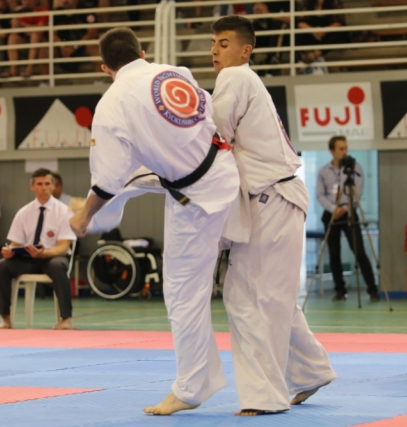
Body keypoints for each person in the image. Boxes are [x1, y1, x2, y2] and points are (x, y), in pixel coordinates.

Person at [69, 27, 239, 415]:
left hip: (197, 198)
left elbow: (106, 181)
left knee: (182, 292)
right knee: (131, 175)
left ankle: (191, 388)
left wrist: (85, 214)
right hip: (225, 166)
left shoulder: (111, 105)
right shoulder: (174, 71)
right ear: (142, 52)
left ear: (104, 67)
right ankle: (308, 370)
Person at [210, 15, 336, 416]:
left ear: (245, 50)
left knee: (253, 298)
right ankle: (311, 370)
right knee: (271, 296)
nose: (214, 50)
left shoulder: (234, 77)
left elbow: (215, 138)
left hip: (271, 198)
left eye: (224, 43)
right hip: (277, 197)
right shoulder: (249, 81)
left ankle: (265, 396)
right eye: (213, 43)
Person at [0, 168, 76, 330]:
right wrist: (9, 250)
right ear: (32, 186)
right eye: (39, 184)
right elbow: (15, 243)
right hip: (28, 259)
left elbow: (63, 247)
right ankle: (5, 318)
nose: (43, 188)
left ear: (53, 186)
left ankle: (66, 318)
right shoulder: (23, 213)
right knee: (1, 266)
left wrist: (44, 253)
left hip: (52, 257)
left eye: (47, 184)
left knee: (58, 266)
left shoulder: (64, 212)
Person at [316, 136, 379, 302]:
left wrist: (344, 208)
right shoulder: (323, 171)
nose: (344, 151)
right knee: (334, 254)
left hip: (349, 210)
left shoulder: (354, 168)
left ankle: (372, 289)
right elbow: (320, 194)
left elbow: (358, 190)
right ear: (332, 151)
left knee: (359, 251)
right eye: (341, 148)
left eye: (346, 148)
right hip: (331, 213)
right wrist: (333, 208)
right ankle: (340, 290)